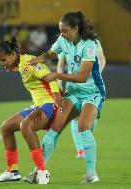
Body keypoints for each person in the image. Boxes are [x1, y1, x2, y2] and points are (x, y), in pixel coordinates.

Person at [25, 11, 106, 184]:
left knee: (83, 126)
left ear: (76, 29)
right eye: (60, 30)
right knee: (55, 127)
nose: (61, 34)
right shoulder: (63, 41)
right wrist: (32, 61)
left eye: (65, 30)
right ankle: (38, 171)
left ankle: (92, 174)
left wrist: (57, 76)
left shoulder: (89, 45)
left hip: (93, 92)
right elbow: (48, 55)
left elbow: (84, 76)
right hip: (73, 92)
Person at [0, 37, 62, 184]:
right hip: (38, 105)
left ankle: (42, 171)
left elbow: (51, 78)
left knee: (26, 126)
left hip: (49, 104)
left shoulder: (30, 63)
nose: (2, 64)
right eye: (0, 61)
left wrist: (57, 98)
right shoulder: (21, 65)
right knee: (6, 127)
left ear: (13, 55)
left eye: (4, 60)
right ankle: (13, 171)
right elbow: (19, 68)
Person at [57, 39, 106, 159]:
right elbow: (60, 64)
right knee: (75, 116)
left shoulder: (94, 41)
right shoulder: (64, 41)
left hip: (91, 85)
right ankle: (80, 150)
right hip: (74, 84)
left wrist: (95, 74)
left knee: (90, 114)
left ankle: (86, 144)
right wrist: (59, 84)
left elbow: (102, 59)